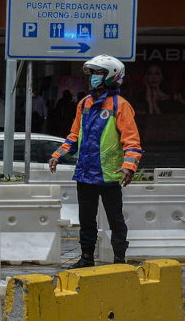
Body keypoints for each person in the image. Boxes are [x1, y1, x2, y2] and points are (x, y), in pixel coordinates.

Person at [49, 55, 142, 268]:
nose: (93, 78)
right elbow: (74, 135)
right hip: (85, 174)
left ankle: (119, 258)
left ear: (111, 76)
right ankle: (86, 258)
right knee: (87, 221)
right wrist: (58, 155)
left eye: (98, 73)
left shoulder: (120, 105)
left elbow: (132, 140)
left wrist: (129, 166)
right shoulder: (85, 103)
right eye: (92, 74)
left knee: (115, 220)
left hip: (110, 174)